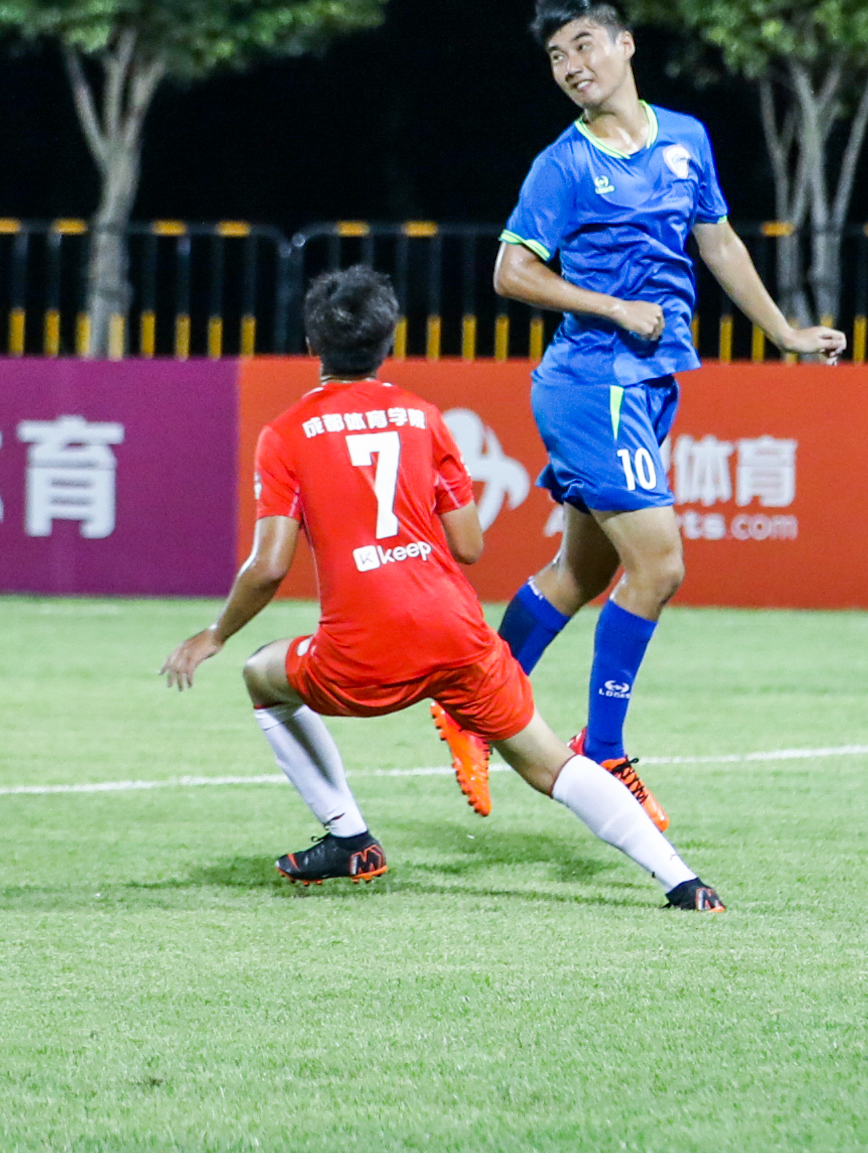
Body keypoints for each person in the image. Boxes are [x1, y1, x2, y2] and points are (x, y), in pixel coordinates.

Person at [161, 267, 723, 911]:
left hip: (361, 647)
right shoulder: (423, 417)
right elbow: (468, 545)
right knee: (552, 766)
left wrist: (215, 635)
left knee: (261, 676)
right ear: (388, 343)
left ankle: (350, 839)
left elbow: (267, 567)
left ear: (312, 344)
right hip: (456, 633)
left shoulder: (285, 434)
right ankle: (685, 883)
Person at [438, 0, 845, 830]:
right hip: (595, 383)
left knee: (583, 573)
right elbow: (511, 272)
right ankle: (605, 750)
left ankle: (469, 703)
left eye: (583, 44)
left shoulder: (686, 139)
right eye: (556, 56)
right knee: (659, 568)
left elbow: (718, 242)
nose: (570, 66)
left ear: (625, 45)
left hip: (648, 383)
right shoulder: (563, 165)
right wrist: (613, 307)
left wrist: (783, 333)